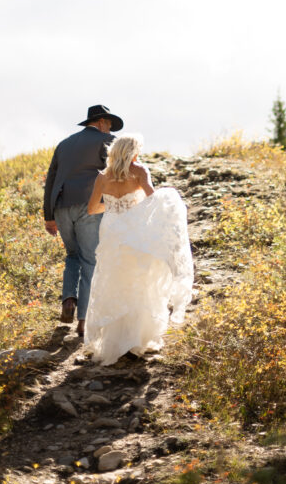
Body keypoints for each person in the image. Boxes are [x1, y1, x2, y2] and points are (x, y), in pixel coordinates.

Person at [84, 133, 193, 365]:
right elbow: (154, 202)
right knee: (140, 281)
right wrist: (133, 207)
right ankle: (136, 341)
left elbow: (92, 209)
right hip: (134, 231)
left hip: (111, 231)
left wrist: (114, 206)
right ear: (132, 153)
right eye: (138, 151)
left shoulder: (102, 177)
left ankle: (113, 341)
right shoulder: (140, 171)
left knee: (113, 281)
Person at [43, 104, 124, 336]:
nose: (109, 130)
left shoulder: (64, 144)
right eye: (108, 125)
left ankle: (69, 299)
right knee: (90, 259)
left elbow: (50, 180)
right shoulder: (105, 141)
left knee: (72, 255)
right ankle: (83, 320)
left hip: (60, 207)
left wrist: (49, 216)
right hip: (90, 205)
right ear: (100, 123)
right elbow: (116, 171)